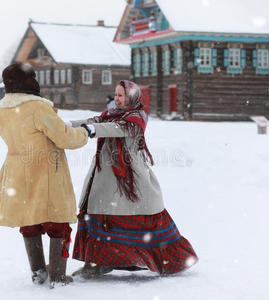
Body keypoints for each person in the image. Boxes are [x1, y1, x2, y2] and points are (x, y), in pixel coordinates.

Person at [67, 80, 198, 278]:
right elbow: (96, 120)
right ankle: (97, 263)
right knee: (100, 212)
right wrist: (69, 125)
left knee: (135, 214)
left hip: (130, 178)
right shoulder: (109, 115)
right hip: (105, 175)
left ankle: (166, 260)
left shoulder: (137, 117)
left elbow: (118, 129)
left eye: (122, 95)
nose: (118, 99)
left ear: (132, 97)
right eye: (116, 95)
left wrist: (93, 130)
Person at [0, 62, 89, 287]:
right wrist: (84, 132)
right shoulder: (38, 108)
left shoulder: (3, 109)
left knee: (29, 220)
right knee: (56, 221)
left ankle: (38, 272)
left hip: (17, 170)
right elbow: (65, 138)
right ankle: (58, 276)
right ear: (29, 81)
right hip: (45, 171)